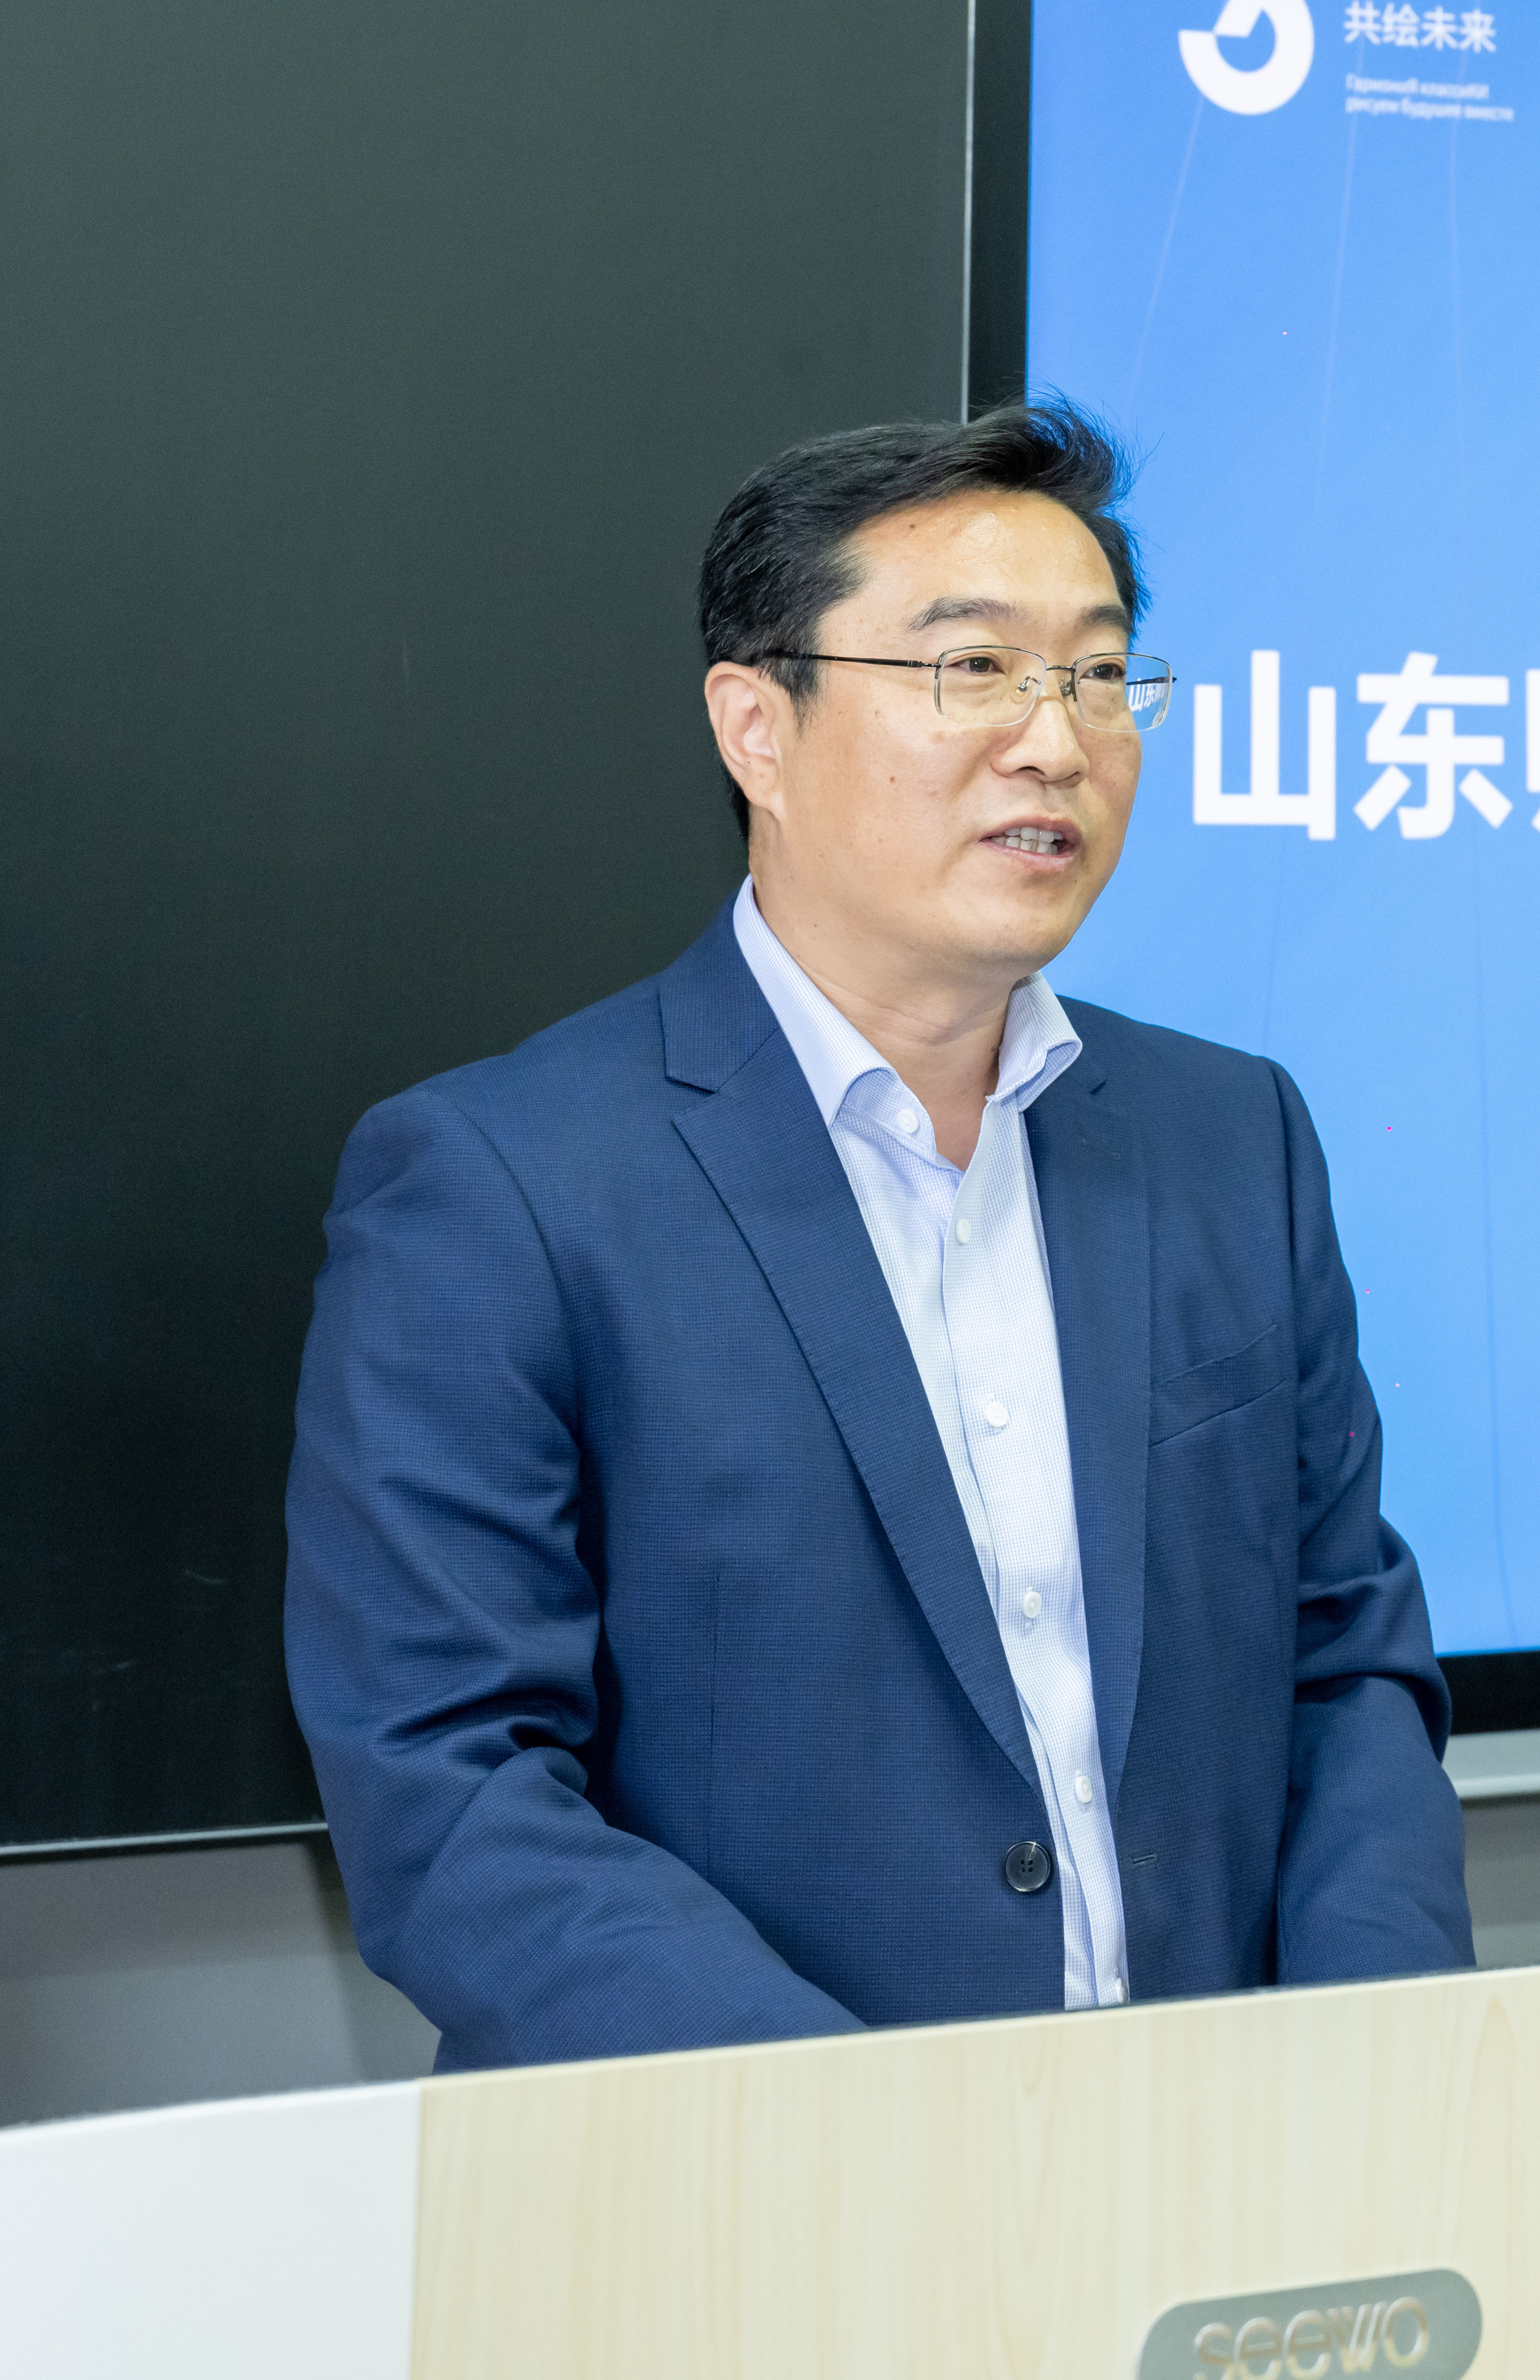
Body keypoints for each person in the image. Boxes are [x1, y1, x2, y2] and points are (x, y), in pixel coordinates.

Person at [283, 403, 1472, 2069]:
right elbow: (451, 1790)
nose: (1054, 741)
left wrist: (1373, 2073)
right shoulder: (505, 1185)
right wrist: (875, 2139)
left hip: (1215, 2161)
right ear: (757, 729)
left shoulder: (1230, 1140)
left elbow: (1346, 1668)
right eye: (973, 670)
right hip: (748, 2180)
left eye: (1100, 674)